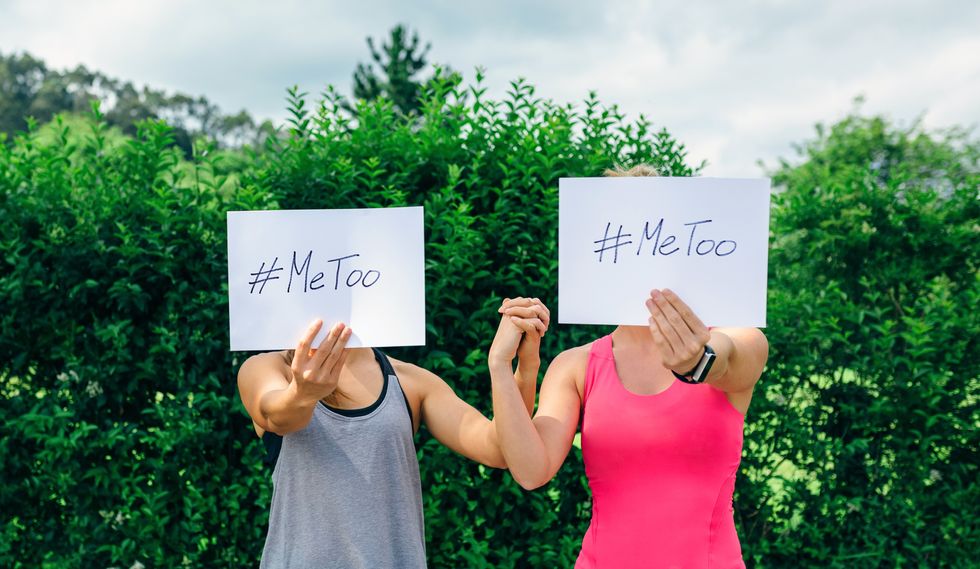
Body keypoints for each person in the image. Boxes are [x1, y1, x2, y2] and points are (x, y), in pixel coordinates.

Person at [489, 165, 770, 568]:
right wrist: (502, 366)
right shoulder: (576, 366)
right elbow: (531, 470)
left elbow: (729, 358)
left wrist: (697, 360)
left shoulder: (739, 336)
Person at [238, 298, 549, 569]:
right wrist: (303, 393)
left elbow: (499, 447)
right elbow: (277, 416)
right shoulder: (267, 368)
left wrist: (515, 365)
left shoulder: (410, 381)